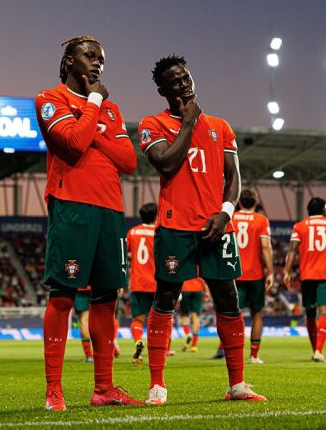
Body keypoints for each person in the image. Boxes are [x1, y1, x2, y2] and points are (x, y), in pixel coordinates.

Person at [138, 54, 265, 405]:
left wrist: (226, 213)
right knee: (166, 299)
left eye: (187, 78)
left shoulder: (221, 127)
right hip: (174, 227)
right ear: (163, 90)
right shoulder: (152, 124)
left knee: (228, 298)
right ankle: (157, 385)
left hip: (216, 227)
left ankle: (237, 384)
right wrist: (188, 125)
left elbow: (234, 176)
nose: (184, 85)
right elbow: (165, 162)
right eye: (176, 82)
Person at [35, 36, 141, 411]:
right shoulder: (50, 100)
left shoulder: (111, 111)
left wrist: (94, 126)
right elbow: (74, 144)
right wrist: (94, 106)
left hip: (111, 208)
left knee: (106, 298)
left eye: (101, 59)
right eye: (90, 56)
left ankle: (104, 389)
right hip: (72, 205)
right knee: (63, 295)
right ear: (69, 60)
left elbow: (129, 161)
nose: (97, 64)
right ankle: (54, 390)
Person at [212, 189, 273, 363]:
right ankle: (254, 355)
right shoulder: (261, 220)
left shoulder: (229, 218)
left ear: (239, 203)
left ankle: (224, 349)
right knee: (257, 314)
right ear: (255, 203)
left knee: (227, 313)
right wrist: (271, 272)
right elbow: (266, 246)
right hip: (255, 274)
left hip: (232, 272)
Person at [284, 197, 326, 362]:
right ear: (324, 210)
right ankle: (318, 350)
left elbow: (292, 250)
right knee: (324, 310)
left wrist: (287, 271)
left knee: (310, 313)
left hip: (307, 274)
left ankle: (315, 349)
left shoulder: (299, 226)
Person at [127, 203, 158, 366]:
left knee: (137, 319)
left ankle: (138, 340)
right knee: (159, 319)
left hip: (138, 282)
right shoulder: (159, 232)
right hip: (156, 282)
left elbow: (127, 253)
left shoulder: (132, 232)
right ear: (156, 216)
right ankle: (161, 351)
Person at [179, 277, 205, 353]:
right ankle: (194, 345)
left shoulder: (183, 264)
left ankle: (187, 334)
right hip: (198, 289)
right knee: (195, 316)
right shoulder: (200, 264)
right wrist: (207, 291)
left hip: (185, 288)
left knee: (185, 315)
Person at [74, 286, 93, 362]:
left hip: (81, 285)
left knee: (84, 320)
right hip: (97, 284)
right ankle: (110, 348)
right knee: (100, 319)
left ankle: (89, 356)